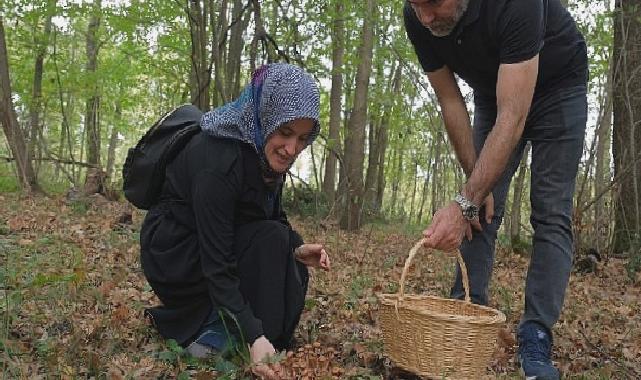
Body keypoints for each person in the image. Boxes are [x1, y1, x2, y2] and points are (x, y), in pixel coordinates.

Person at [403, 1, 587, 379]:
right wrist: (474, 188)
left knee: (551, 212)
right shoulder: (417, 14)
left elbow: (513, 114)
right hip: (493, 90)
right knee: (480, 209)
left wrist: (464, 200)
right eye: (416, 5)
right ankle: (466, 315)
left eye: (433, 3)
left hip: (558, 85)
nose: (424, 17)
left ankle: (536, 335)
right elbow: (451, 101)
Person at [139, 63, 330, 379]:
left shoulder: (264, 153)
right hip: (176, 252)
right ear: (265, 116)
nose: (292, 149)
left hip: (216, 239)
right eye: (285, 133)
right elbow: (218, 264)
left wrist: (297, 249)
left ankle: (261, 339)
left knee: (278, 241)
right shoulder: (218, 160)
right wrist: (254, 335)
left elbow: (271, 217)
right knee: (271, 242)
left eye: (302, 138)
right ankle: (219, 333)